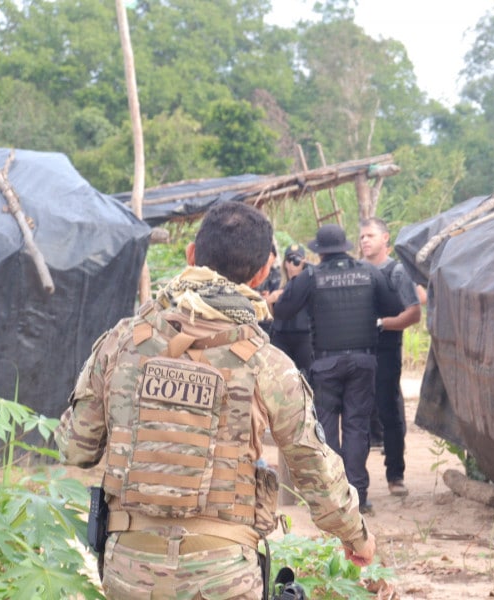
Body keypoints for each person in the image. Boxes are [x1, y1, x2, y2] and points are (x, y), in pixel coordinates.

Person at [55, 202, 374, 600]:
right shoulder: (267, 364)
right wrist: (355, 536)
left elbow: (75, 447)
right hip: (222, 575)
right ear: (260, 275)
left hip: (130, 571)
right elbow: (314, 470)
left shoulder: (121, 342)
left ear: (191, 255)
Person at [270, 223, 403, 513]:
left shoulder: (310, 276)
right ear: (346, 247)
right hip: (363, 361)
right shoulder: (369, 272)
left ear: (319, 251)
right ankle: (358, 496)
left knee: (328, 427)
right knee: (357, 426)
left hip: (326, 363)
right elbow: (393, 306)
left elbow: (281, 311)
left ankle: (333, 496)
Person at [359, 217, 422, 497]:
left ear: (385, 238)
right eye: (361, 236)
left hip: (386, 350)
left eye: (370, 235)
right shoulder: (355, 270)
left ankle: (395, 476)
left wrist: (382, 323)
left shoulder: (396, 272)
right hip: (357, 350)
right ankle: (354, 480)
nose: (365, 241)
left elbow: (413, 313)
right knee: (356, 414)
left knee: (390, 414)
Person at [268, 244, 314, 378]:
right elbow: (271, 316)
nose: (292, 263)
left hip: (304, 336)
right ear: (284, 263)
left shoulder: (310, 283)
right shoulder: (278, 283)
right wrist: (270, 300)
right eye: (289, 259)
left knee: (307, 376)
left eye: (297, 259)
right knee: (280, 376)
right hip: (281, 335)